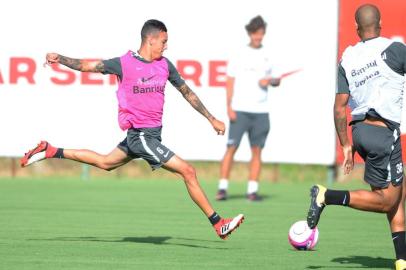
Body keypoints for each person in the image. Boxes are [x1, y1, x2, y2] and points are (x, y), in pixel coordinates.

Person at [21, 19, 244, 240]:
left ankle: (51, 150)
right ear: (151, 40)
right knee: (188, 171)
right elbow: (86, 66)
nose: (166, 46)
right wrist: (60, 59)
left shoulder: (165, 65)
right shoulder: (123, 63)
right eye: (164, 41)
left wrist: (211, 119)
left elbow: (187, 92)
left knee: (104, 162)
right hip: (141, 135)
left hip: (146, 136)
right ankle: (218, 224)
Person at [306, 4, 406, 269]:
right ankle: (327, 196)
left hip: (360, 132)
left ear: (356, 27)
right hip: (383, 134)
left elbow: (340, 107)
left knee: (397, 193)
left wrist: (346, 147)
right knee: (387, 201)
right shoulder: (395, 49)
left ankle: (401, 261)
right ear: (381, 23)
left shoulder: (348, 58)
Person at [216, 15, 280, 201]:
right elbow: (229, 81)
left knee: (257, 150)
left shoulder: (268, 55)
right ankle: (222, 188)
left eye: (261, 33)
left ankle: (252, 190)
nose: (258, 37)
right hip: (240, 109)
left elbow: (277, 80)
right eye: (255, 33)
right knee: (231, 147)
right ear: (250, 33)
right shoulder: (239, 54)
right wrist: (229, 107)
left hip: (261, 111)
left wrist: (270, 81)